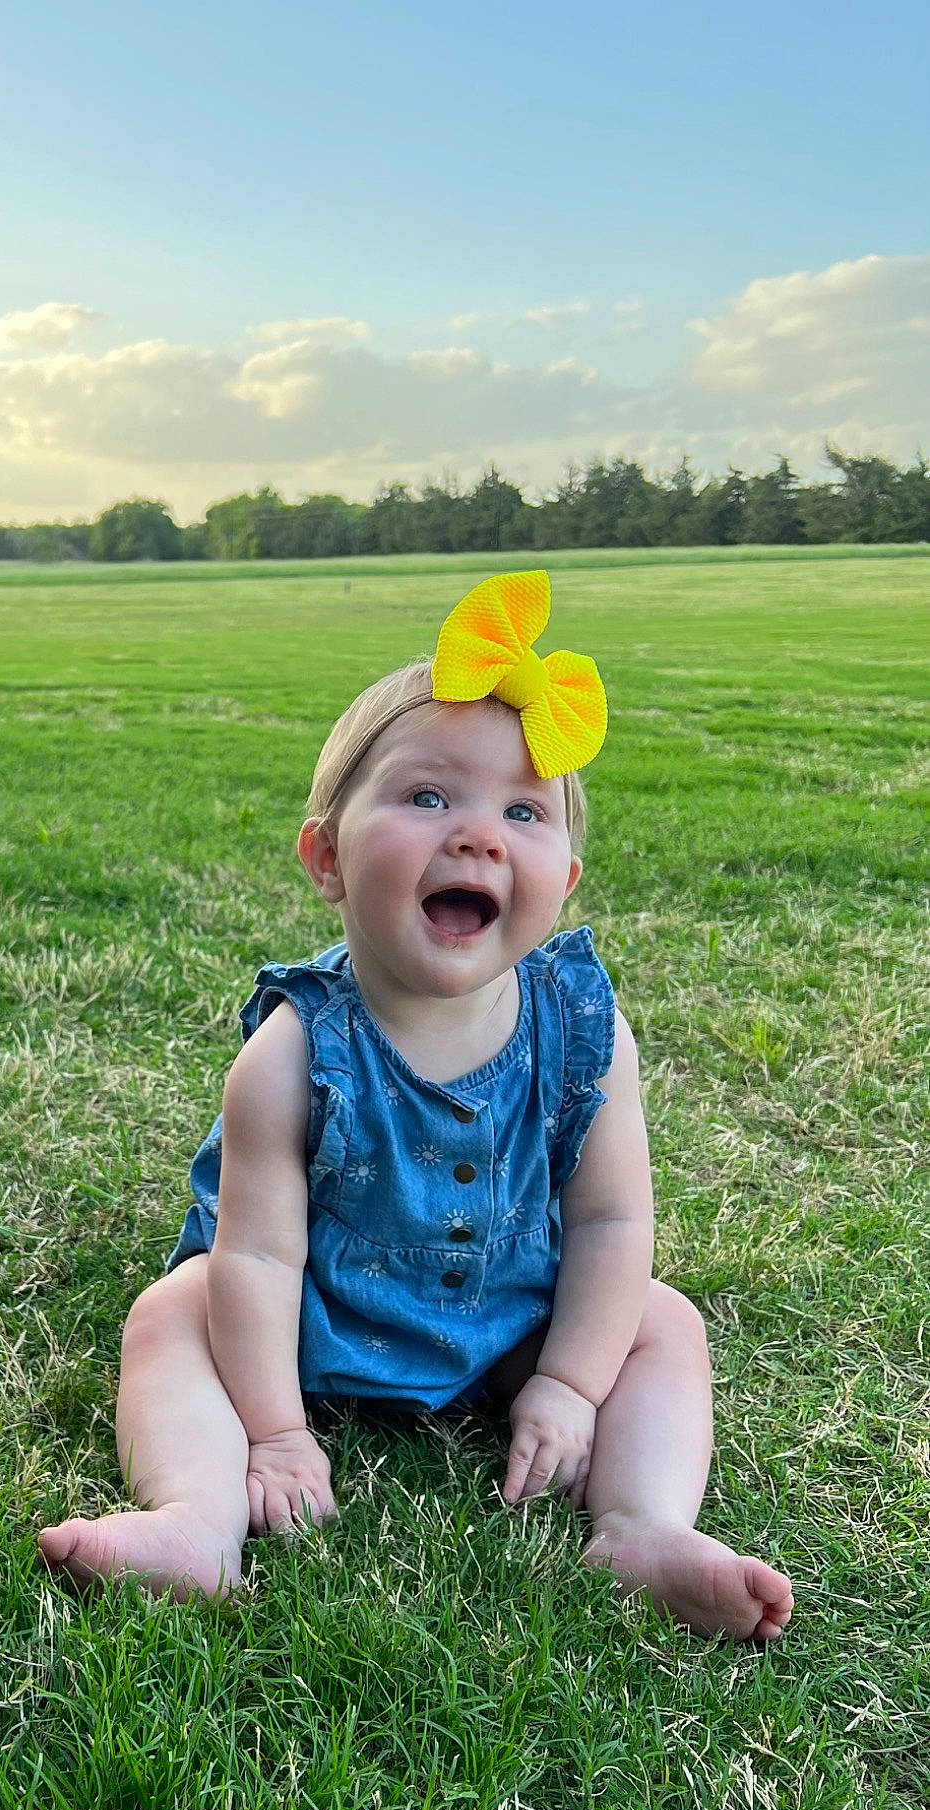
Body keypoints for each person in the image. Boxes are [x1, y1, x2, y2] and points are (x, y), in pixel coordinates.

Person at [39, 571, 793, 1641]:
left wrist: (573, 1385)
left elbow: (613, 1223)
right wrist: (276, 1433)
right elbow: (256, 1260)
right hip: (315, 1321)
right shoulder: (291, 1053)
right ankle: (195, 1523)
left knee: (662, 1321)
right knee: (174, 1311)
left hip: (511, 1319)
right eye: (429, 796)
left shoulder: (586, 1033)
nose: (479, 834)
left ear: (563, 877)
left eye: (522, 811)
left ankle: (640, 1524)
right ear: (326, 856)